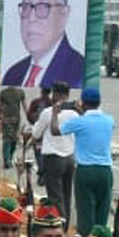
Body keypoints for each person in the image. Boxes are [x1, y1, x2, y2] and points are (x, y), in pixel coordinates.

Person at [1, 0, 84, 89]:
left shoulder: (79, 75)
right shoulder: (13, 75)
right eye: (26, 6)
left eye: (43, 6)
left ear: (64, 14)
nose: (31, 17)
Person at [50, 86, 116, 236]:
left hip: (85, 171)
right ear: (99, 102)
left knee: (86, 212)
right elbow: (93, 123)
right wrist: (83, 112)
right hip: (105, 171)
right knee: (102, 211)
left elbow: (55, 130)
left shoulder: (79, 122)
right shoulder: (109, 121)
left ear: (83, 103)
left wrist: (55, 113)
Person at [31, 84, 76, 221]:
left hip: (53, 158)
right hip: (70, 157)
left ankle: (59, 225)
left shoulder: (48, 112)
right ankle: (66, 223)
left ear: (54, 94)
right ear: (68, 95)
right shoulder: (74, 114)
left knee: (55, 196)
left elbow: (36, 134)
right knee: (67, 195)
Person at [0, 84, 27, 171]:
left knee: (9, 139)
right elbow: (24, 105)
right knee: (10, 139)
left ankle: (8, 158)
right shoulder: (17, 92)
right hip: (12, 119)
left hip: (11, 119)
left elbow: (1, 106)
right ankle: (7, 159)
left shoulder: (7, 93)